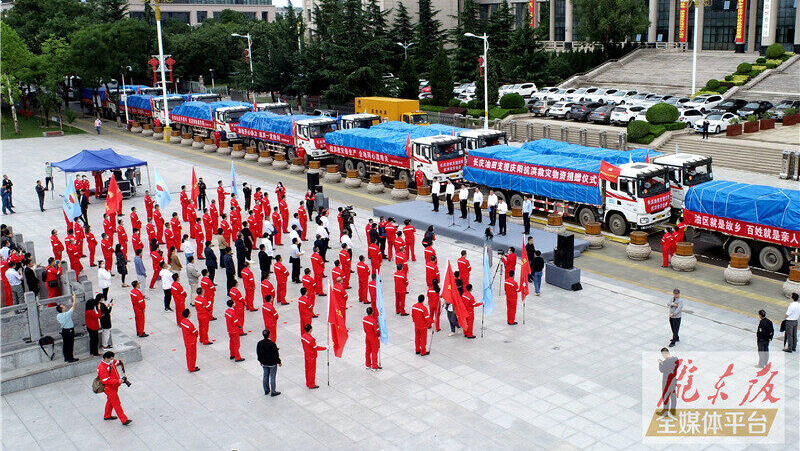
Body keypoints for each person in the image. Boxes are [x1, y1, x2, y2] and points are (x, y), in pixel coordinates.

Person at [97, 351, 131, 425]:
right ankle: (124, 420)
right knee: (116, 403)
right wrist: (118, 381)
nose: (112, 360)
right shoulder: (102, 368)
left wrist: (119, 362)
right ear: (106, 358)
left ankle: (107, 415)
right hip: (108, 388)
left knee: (110, 401)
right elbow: (105, 381)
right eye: (111, 359)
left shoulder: (110, 362)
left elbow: (116, 362)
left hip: (114, 386)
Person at [257, 329, 282, 397]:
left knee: (265, 376)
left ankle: (266, 390)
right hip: (272, 364)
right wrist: (279, 361)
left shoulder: (259, 343)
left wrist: (260, 361)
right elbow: (275, 354)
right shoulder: (272, 344)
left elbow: (258, 353)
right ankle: (273, 391)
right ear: (269, 335)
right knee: (272, 377)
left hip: (264, 363)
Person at [301, 323, 326, 389]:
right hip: (311, 356)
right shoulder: (311, 339)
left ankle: (308, 382)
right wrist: (325, 348)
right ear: (310, 330)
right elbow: (316, 347)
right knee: (312, 371)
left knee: (307, 369)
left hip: (306, 355)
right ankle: (311, 384)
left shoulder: (303, 336)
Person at [657, 348, 679, 418]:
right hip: (673, 380)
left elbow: (662, 370)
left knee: (666, 396)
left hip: (667, 381)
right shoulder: (676, 359)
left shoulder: (665, 362)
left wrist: (660, 363)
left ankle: (665, 412)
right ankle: (673, 410)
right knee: (673, 395)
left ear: (664, 354)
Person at [56, 294, 79, 362]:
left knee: (65, 345)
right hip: (69, 331)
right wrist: (74, 298)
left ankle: (66, 358)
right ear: (62, 309)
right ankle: (70, 358)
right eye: (63, 306)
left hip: (64, 331)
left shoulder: (58, 316)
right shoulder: (67, 314)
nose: (64, 306)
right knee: (70, 344)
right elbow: (73, 305)